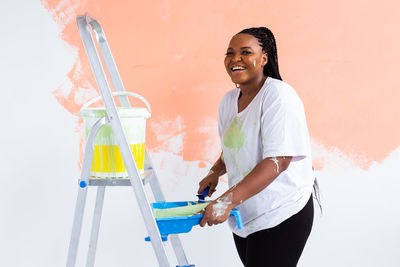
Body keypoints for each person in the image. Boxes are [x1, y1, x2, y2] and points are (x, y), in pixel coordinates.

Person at [197, 27, 315, 267]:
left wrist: (226, 201)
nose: (235, 59)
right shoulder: (229, 101)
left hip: (281, 210)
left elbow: (278, 161)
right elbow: (235, 148)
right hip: (246, 212)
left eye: (245, 52)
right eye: (230, 53)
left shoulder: (278, 96)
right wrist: (214, 172)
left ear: (264, 58)